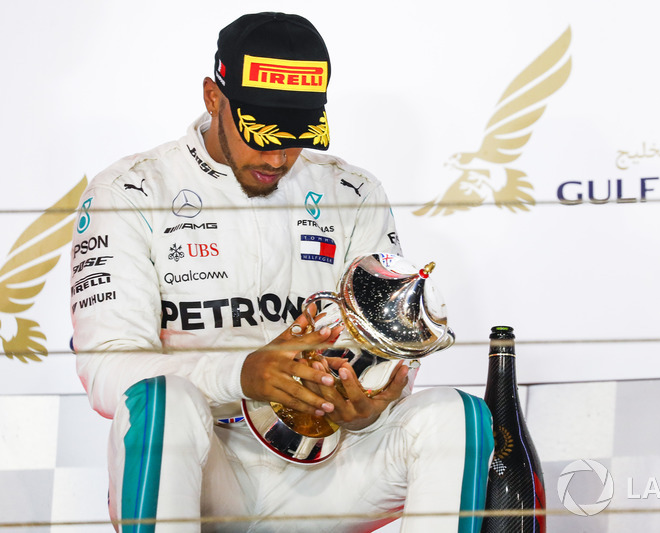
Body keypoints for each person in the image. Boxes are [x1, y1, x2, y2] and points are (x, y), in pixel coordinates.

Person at [70, 12, 493, 533]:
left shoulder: (352, 193)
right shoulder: (130, 191)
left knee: (459, 418)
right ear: (212, 97)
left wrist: (371, 404)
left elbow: (383, 352)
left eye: (297, 135)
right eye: (261, 132)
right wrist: (243, 373)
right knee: (163, 406)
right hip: (206, 473)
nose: (279, 155)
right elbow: (107, 372)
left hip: (331, 469)